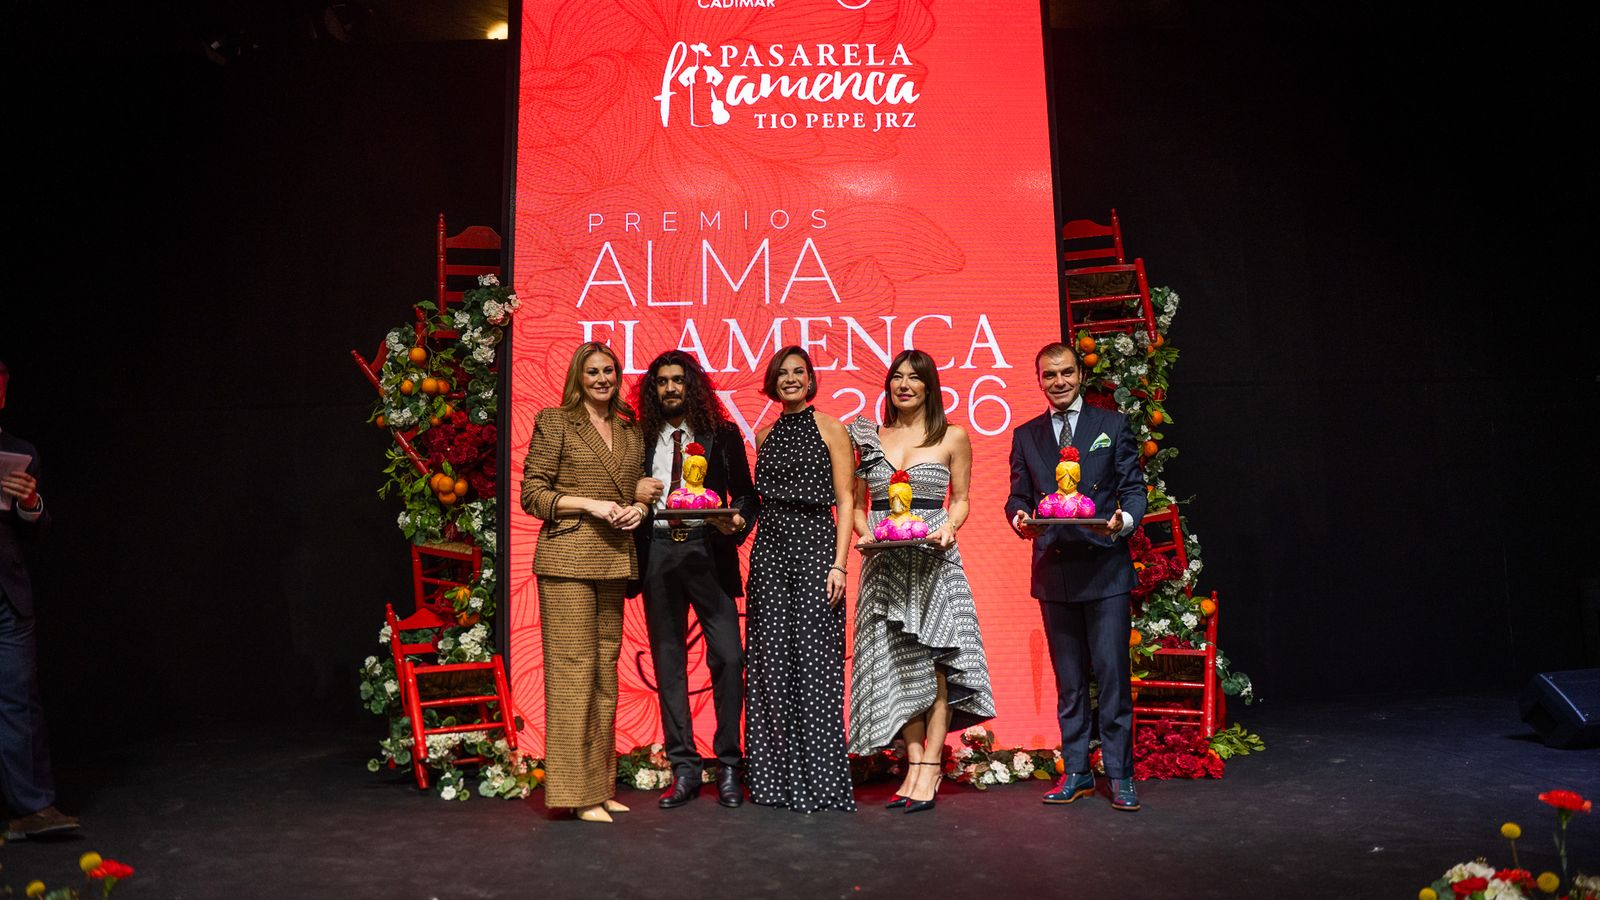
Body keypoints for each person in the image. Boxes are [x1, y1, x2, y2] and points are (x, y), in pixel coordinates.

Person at [848, 349, 995, 814]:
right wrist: (865, 533)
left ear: (930, 387)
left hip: (934, 562)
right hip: (885, 564)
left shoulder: (953, 436)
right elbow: (854, 503)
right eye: (896, 377)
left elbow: (962, 499)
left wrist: (950, 526)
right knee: (894, 664)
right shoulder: (869, 436)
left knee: (937, 664)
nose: (904, 385)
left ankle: (930, 764)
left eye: (914, 378)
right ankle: (911, 761)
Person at [1006, 341, 1147, 812]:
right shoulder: (1027, 436)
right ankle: (1078, 773)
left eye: (1066, 373)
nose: (1059, 382)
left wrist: (1121, 522)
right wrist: (1020, 517)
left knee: (1111, 679)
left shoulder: (1111, 425)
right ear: (1039, 380)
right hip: (1055, 572)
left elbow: (1133, 491)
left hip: (1106, 569)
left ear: (1080, 376)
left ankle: (1122, 776)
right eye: (1050, 375)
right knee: (1070, 684)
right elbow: (1017, 497)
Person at [520, 341, 648, 824]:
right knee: (573, 675)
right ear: (578, 376)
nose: (601, 379)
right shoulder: (555, 421)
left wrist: (640, 507)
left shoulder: (629, 430)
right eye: (592, 371)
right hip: (567, 560)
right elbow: (533, 494)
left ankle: (599, 786)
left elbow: (633, 487)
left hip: (613, 559)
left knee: (604, 678)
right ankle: (575, 793)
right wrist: (590, 504)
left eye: (609, 371)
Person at [630, 350, 758, 809]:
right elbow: (620, 489)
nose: (669, 388)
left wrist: (738, 522)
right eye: (661, 381)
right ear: (654, 389)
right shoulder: (637, 437)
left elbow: (746, 497)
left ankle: (728, 765)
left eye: (677, 381)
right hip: (657, 550)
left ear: (692, 386)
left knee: (728, 657)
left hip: (709, 549)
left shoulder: (722, 435)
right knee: (669, 665)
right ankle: (684, 769)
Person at [744, 345, 857, 813]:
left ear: (810, 380)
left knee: (816, 669)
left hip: (815, 546)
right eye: (782, 373)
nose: (791, 379)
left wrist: (839, 564)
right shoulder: (765, 431)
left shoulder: (830, 427)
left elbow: (847, 500)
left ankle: (821, 786)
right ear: (773, 381)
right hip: (769, 550)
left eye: (799, 372)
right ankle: (774, 783)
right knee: (770, 665)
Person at [0, 360, 78, 839]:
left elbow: (37, 532)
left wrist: (31, 504)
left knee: (18, 702)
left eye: (1, 387)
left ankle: (33, 809)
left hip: (7, 597)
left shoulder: (18, 451)